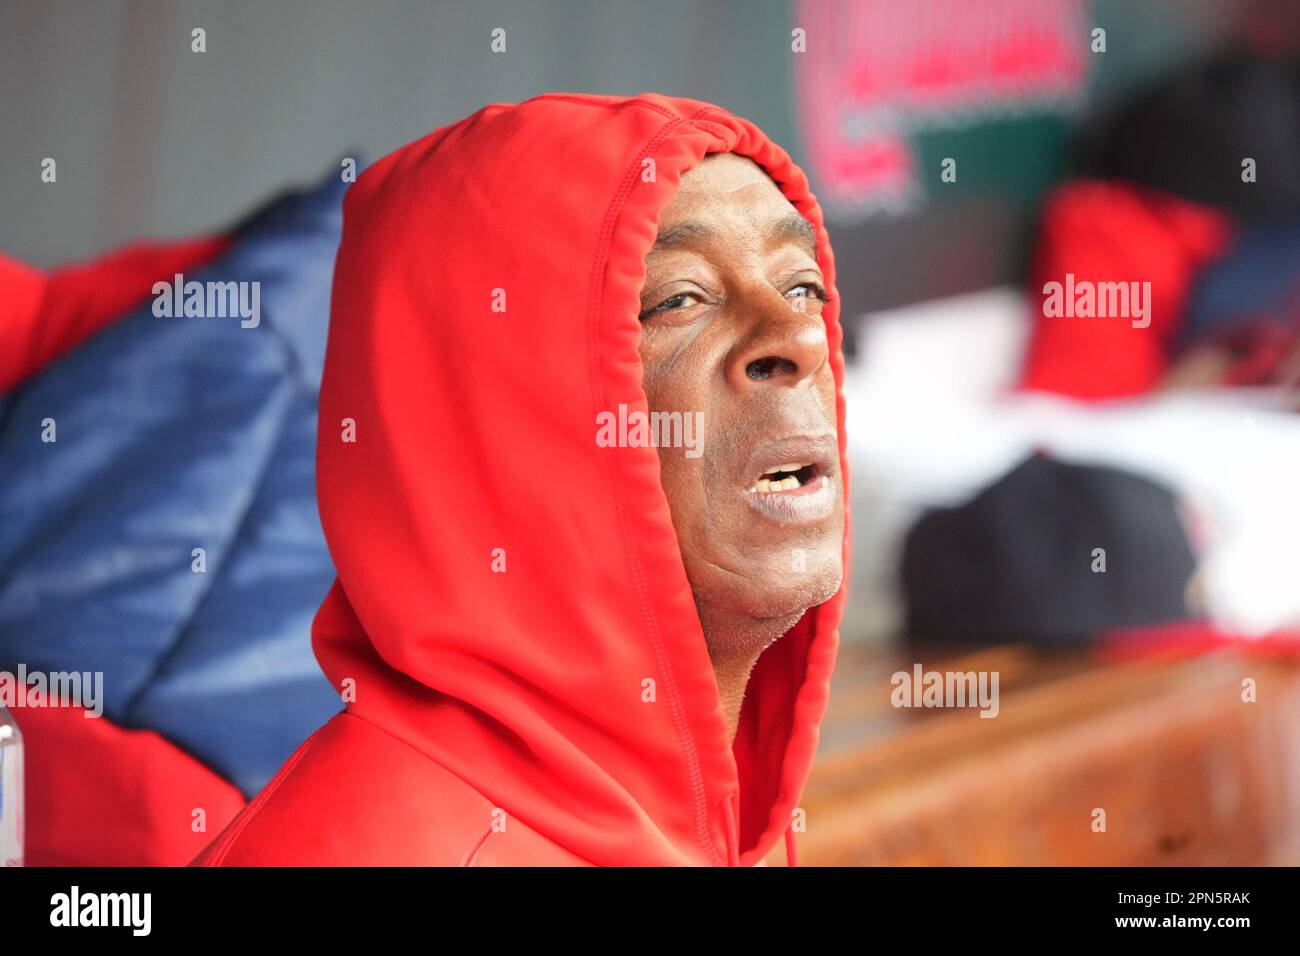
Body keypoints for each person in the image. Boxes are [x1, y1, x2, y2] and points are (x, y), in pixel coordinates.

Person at [193, 92, 850, 867]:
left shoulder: (715, 812)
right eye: (679, 299)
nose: (798, 335)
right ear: (500, 416)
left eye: (802, 285)